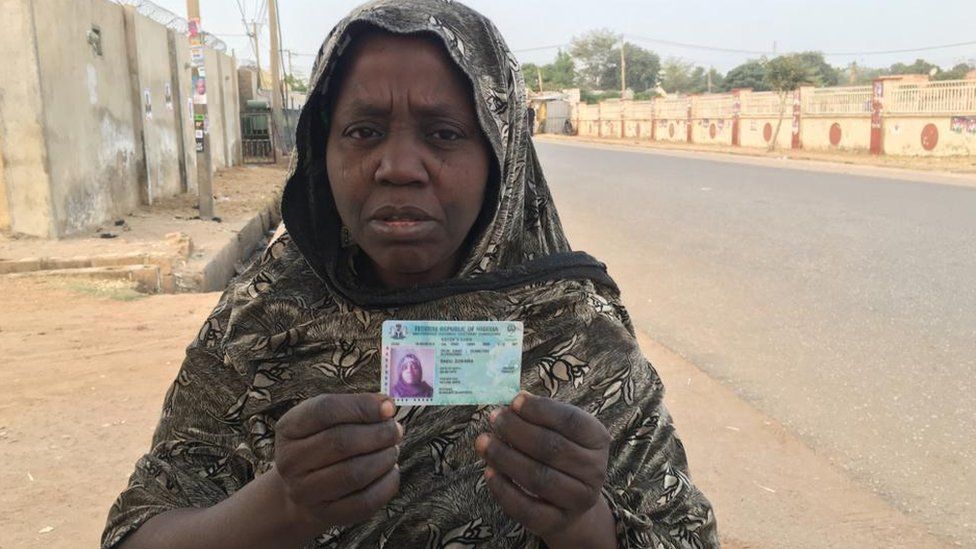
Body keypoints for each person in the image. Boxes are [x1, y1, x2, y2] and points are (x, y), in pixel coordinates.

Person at [102, 1, 718, 548]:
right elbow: (140, 529)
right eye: (364, 131)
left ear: (500, 158)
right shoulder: (262, 317)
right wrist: (280, 507)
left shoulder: (579, 332)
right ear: (323, 148)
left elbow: (681, 535)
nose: (398, 167)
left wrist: (581, 526)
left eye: (444, 134)